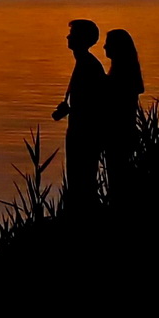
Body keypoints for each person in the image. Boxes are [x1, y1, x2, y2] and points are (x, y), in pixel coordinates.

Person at [53, 19, 105, 216]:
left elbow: (92, 105)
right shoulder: (84, 63)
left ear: (83, 39)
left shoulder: (89, 66)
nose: (68, 36)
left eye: (72, 34)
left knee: (82, 179)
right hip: (79, 131)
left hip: (85, 134)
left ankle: (83, 217)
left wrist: (71, 111)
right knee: (79, 179)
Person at [103, 29, 144, 203]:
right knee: (120, 175)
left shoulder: (120, 74)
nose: (104, 46)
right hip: (126, 132)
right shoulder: (123, 71)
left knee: (117, 176)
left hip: (120, 134)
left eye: (108, 43)